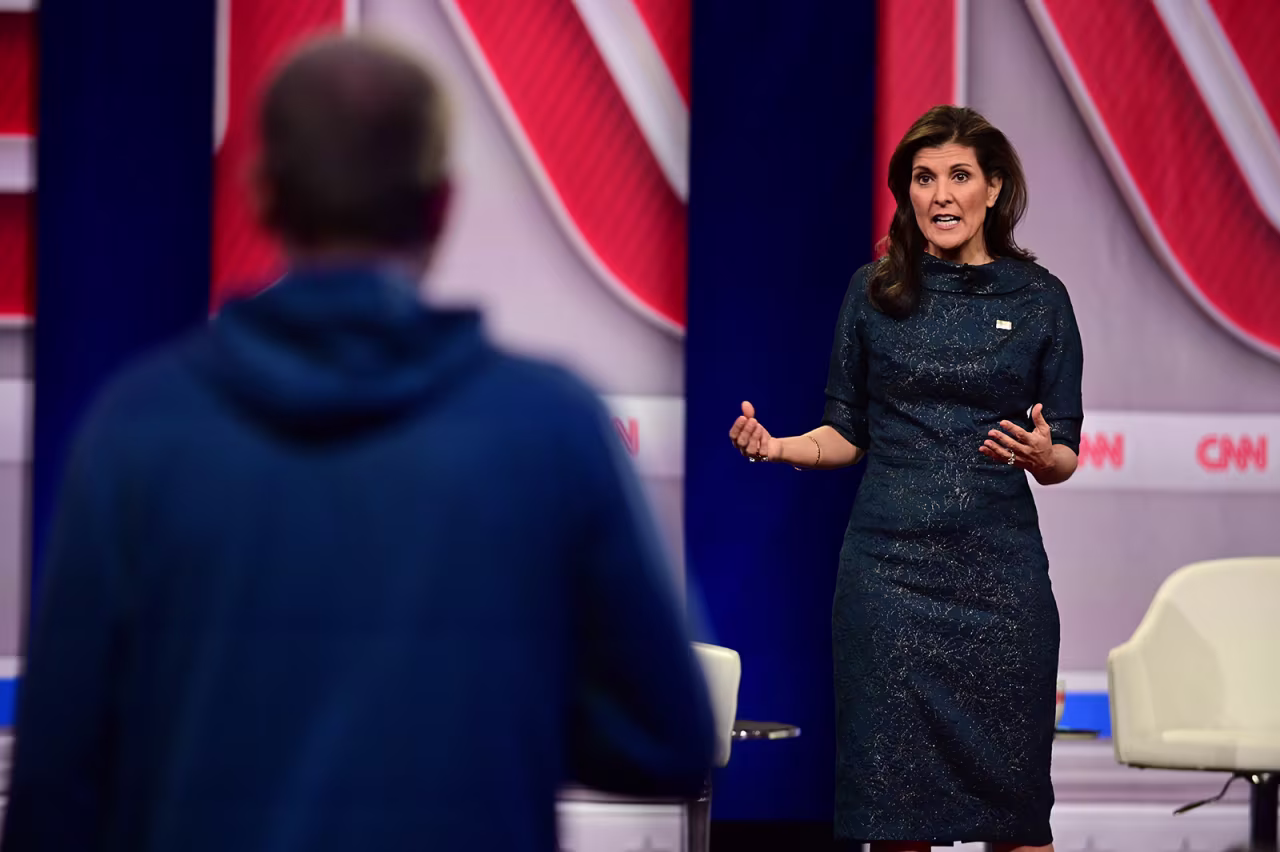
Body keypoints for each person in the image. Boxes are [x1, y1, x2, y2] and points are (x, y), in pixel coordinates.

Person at [1, 35, 714, 852]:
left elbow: (54, 792)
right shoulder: (551, 428)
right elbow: (668, 738)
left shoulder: (137, 429)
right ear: (441, 203)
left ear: (263, 196)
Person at [729, 105, 1083, 852]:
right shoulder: (873, 291)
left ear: (994, 190)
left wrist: (1041, 453)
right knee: (896, 817)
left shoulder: (1041, 299)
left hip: (999, 583)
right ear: (908, 192)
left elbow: (1063, 459)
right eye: (924, 178)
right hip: (889, 582)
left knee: (1019, 820)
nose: (941, 194)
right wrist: (778, 447)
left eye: (960, 176)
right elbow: (846, 432)